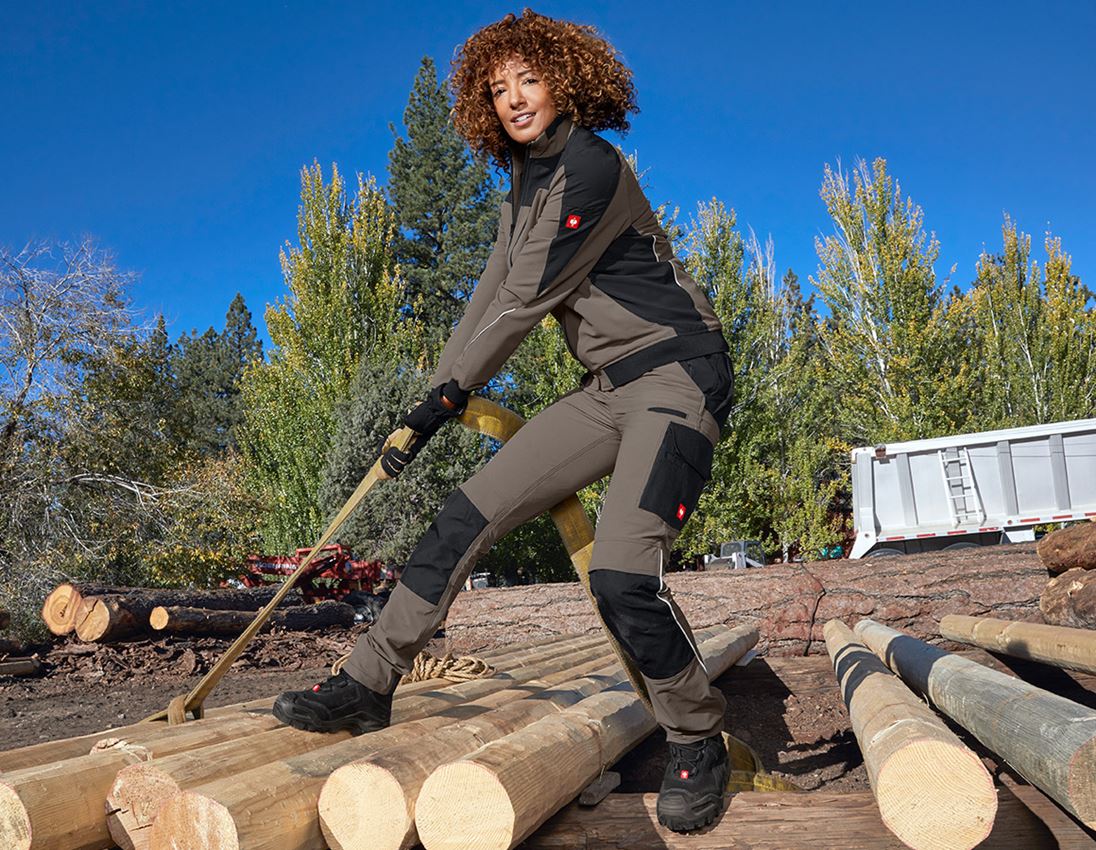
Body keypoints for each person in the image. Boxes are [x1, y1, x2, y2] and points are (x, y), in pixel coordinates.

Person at [273, 8, 735, 833]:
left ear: (567, 79)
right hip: (603, 388)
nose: (515, 98)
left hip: (676, 376)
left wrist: (456, 392)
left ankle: (698, 737)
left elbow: (523, 302)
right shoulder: (520, 190)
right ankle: (369, 681)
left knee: (624, 577)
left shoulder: (592, 168)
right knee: (464, 516)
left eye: (529, 79)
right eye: (498, 88)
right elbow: (487, 295)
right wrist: (432, 399)